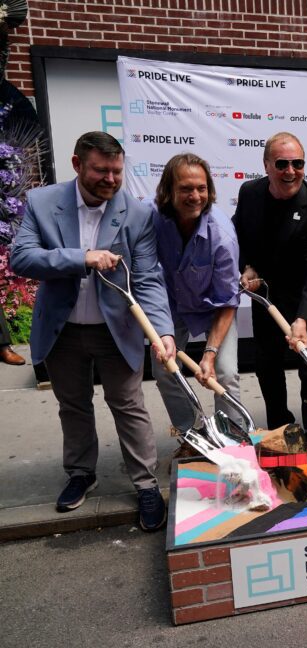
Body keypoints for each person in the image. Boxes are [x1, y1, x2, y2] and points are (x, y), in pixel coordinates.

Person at [10, 131, 174, 531]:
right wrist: (81, 257)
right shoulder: (43, 202)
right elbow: (22, 257)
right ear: (77, 164)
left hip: (116, 328)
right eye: (101, 170)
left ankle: (146, 484)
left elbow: (149, 277)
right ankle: (81, 473)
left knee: (129, 404)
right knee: (73, 405)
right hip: (62, 329)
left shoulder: (137, 213)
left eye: (117, 171)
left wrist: (163, 332)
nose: (110, 179)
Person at [234, 132, 307, 437]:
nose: (291, 171)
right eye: (282, 164)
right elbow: (238, 237)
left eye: (298, 163)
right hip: (267, 298)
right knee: (267, 368)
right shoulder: (250, 193)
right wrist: (246, 267)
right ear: (266, 165)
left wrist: (302, 318)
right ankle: (282, 430)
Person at [149, 153, 241, 435]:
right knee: (165, 369)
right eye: (186, 189)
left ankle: (230, 438)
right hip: (171, 307)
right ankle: (191, 434)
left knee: (224, 372)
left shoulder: (222, 236)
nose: (195, 196)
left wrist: (209, 355)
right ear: (168, 191)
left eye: (201, 188)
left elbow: (227, 301)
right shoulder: (150, 218)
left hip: (213, 308)